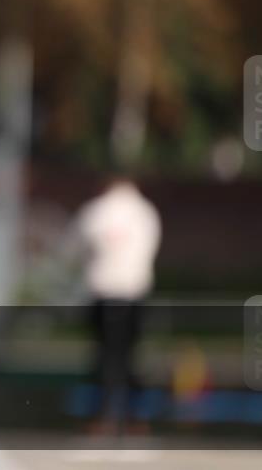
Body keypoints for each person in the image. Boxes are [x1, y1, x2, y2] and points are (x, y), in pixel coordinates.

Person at [74, 176, 161, 435]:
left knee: (105, 355)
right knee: (130, 355)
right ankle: (136, 416)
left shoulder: (95, 211)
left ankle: (104, 417)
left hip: (104, 292)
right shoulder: (146, 212)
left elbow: (77, 248)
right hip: (134, 292)